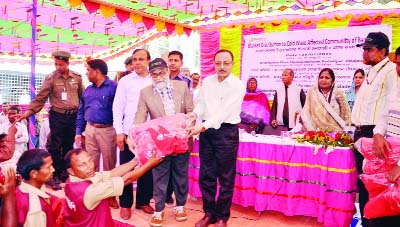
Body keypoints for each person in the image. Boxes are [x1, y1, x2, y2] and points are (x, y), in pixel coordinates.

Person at [134, 58, 194, 226]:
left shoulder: (181, 87)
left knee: (181, 176)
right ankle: (159, 210)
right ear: (150, 75)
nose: (158, 77)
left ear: (167, 72)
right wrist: (134, 133)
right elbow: (140, 115)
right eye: (154, 74)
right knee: (160, 177)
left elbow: (190, 110)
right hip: (159, 143)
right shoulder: (146, 92)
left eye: (161, 73)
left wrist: (189, 127)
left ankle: (180, 207)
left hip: (181, 140)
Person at [189, 49, 246, 227]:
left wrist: (202, 126)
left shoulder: (237, 85)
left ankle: (222, 217)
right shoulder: (207, 81)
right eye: (218, 63)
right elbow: (201, 104)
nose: (221, 67)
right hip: (207, 133)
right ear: (213, 64)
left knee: (226, 177)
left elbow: (223, 113)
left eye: (226, 63)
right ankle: (209, 214)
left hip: (226, 132)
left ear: (233, 64)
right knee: (206, 175)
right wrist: (194, 114)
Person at [19, 50, 84, 190]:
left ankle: (65, 174)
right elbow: (41, 98)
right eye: (56, 64)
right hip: (57, 116)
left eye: (61, 64)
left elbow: (82, 97)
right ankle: (53, 176)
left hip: (73, 116)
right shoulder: (51, 78)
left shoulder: (77, 78)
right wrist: (29, 112)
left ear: (67, 63)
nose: (58, 67)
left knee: (68, 146)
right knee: (55, 146)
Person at [352, 32, 397, 227]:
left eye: (369, 49)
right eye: (364, 49)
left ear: (382, 51)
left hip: (376, 135)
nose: (365, 52)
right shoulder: (370, 72)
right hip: (362, 133)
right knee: (363, 184)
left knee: (377, 186)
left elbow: (390, 108)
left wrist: (380, 134)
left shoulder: (391, 72)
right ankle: (365, 221)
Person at [63, 148, 162, 227]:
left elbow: (113, 173)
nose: (89, 166)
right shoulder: (90, 192)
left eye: (89, 161)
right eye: (82, 165)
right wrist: (148, 165)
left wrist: (137, 159)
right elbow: (126, 180)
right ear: (71, 170)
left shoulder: (71, 180)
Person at [113, 49, 155, 219]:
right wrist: (119, 132)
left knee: (147, 167)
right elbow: (117, 107)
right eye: (135, 59)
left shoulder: (156, 79)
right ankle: (125, 204)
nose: (137, 62)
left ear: (148, 61)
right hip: (129, 132)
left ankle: (143, 201)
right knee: (126, 168)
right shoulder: (125, 81)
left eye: (141, 59)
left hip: (151, 132)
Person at [75, 59, 119, 208]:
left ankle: (111, 195)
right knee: (90, 163)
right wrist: (78, 132)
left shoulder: (114, 88)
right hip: (89, 129)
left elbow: (120, 111)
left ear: (97, 71)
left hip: (108, 130)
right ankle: (93, 192)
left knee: (109, 164)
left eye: (88, 70)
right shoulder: (88, 89)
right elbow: (81, 111)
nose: (86, 73)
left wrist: (119, 132)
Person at [365, 46, 400, 227]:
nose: (399, 69)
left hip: (398, 165)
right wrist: (378, 133)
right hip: (387, 156)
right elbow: (384, 115)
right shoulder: (396, 85)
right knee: (381, 212)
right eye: (398, 64)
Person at [15, 149, 57, 227]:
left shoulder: (19, 189)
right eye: (48, 167)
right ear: (34, 173)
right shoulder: (35, 208)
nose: (53, 169)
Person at [0, 105, 29, 170]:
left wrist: (10, 137)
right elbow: (3, 140)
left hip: (19, 152)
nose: (11, 115)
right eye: (9, 113)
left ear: (18, 114)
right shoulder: (2, 126)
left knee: (19, 171)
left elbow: (26, 139)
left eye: (14, 113)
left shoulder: (22, 126)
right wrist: (16, 136)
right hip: (7, 154)